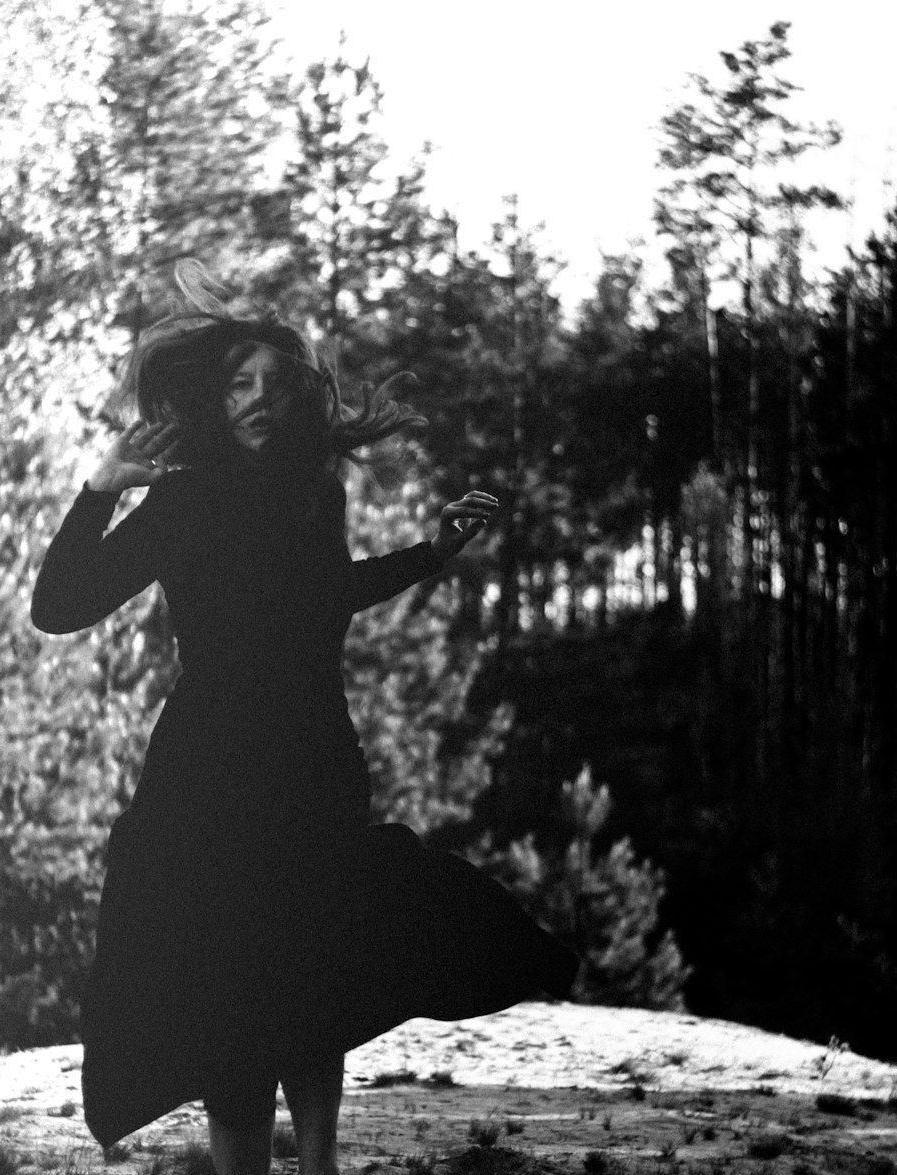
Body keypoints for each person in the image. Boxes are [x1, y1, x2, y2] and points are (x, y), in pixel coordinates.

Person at [31, 263, 578, 1175]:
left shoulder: (315, 495)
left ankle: (319, 1162)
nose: (257, 400)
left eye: (277, 388)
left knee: (311, 962)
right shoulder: (180, 500)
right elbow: (59, 604)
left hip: (314, 758)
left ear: (301, 406)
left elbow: (327, 597)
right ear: (214, 397)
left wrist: (427, 555)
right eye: (240, 384)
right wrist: (102, 487)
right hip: (205, 773)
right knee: (232, 984)